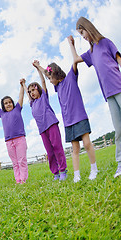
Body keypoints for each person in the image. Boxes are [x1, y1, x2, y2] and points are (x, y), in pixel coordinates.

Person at [34, 37, 98, 183]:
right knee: (75, 149)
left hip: (80, 117)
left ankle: (94, 169)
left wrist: (71, 44)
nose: (50, 81)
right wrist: (39, 66)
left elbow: (75, 61)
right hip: (68, 121)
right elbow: (47, 73)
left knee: (87, 144)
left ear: (56, 74)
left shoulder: (71, 77)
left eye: (50, 78)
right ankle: (76, 174)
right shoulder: (57, 87)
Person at [69, 16, 121, 178]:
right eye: (80, 34)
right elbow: (76, 59)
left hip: (119, 87)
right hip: (108, 95)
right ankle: (120, 163)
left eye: (82, 32)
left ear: (88, 27)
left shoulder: (105, 42)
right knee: (118, 130)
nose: (83, 36)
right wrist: (72, 46)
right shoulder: (91, 52)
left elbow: (119, 59)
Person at [21, 60, 68, 181]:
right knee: (50, 152)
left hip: (51, 124)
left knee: (57, 147)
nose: (31, 93)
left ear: (39, 90)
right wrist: (24, 85)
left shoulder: (43, 97)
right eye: (30, 91)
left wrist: (38, 69)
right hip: (42, 129)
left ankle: (63, 170)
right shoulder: (32, 103)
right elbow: (27, 92)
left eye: (34, 90)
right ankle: (56, 173)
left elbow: (42, 82)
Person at [0, 79, 28, 184]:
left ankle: (23, 180)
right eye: (6, 103)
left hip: (20, 139)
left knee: (21, 161)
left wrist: (22, 85)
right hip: (9, 141)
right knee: (15, 163)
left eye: (10, 102)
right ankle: (18, 180)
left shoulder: (17, 109)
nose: (8, 104)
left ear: (13, 103)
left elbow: (21, 97)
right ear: (3, 105)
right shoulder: (2, 114)